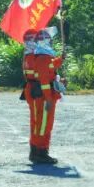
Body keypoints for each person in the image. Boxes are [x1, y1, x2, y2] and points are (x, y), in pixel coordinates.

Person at [30, 26, 63, 164]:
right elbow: (44, 82)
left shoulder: (45, 57)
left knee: (44, 124)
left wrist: (61, 59)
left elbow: (51, 66)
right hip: (44, 97)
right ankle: (40, 153)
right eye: (49, 41)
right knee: (43, 125)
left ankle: (40, 152)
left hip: (45, 96)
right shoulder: (43, 58)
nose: (51, 43)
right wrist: (48, 99)